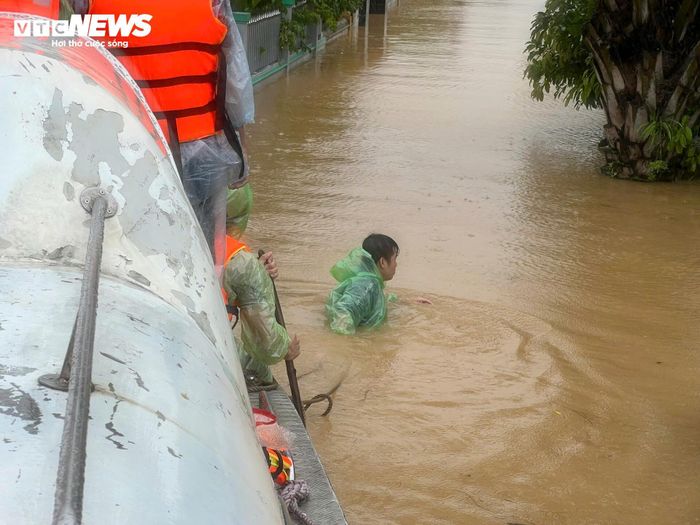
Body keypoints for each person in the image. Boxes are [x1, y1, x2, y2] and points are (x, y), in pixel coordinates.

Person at [73, 0, 255, 266]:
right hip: (201, 148)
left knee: (133, 251)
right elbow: (236, 79)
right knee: (205, 260)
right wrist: (240, 151)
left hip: (127, 149)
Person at [221, 229, 300, 386]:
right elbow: (267, 343)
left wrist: (259, 274)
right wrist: (285, 349)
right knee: (258, 368)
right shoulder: (237, 256)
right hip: (205, 345)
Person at [326, 233, 399, 335]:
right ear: (382, 262)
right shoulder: (368, 285)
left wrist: (407, 301)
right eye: (395, 259)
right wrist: (348, 345)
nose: (396, 264)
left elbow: (371, 300)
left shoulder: (369, 283)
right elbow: (343, 311)